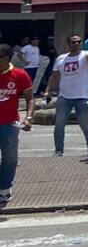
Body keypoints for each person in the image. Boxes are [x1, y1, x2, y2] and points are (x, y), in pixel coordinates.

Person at [46, 34, 88, 156]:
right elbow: (54, 76)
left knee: (85, 124)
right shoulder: (61, 59)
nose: (76, 44)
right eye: (73, 42)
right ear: (68, 44)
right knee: (59, 124)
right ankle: (59, 150)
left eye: (79, 42)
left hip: (82, 97)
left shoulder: (86, 54)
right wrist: (47, 91)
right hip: (64, 96)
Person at [0, 44, 34, 203]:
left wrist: (28, 117)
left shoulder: (20, 75)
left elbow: (30, 98)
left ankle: (5, 188)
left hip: (10, 124)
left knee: (10, 158)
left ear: (6, 58)